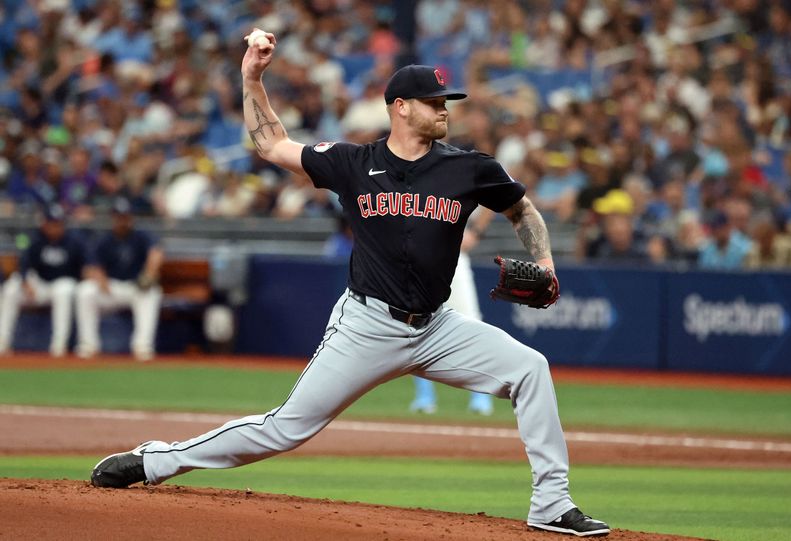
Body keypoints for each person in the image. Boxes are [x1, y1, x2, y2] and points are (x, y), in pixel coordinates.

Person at [90, 34, 610, 538]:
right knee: (284, 428)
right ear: (400, 107)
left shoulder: (469, 168)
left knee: (530, 369)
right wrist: (252, 77)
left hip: (438, 327)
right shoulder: (354, 163)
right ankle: (155, 461)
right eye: (433, 101)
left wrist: (544, 261)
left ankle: (552, 503)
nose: (444, 108)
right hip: (366, 324)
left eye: (445, 100)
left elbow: (521, 208)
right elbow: (272, 144)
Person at [410, 207, 495, 416]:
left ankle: (480, 395)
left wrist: (475, 232)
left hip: (453, 255)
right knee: (416, 325)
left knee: (472, 326)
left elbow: (497, 193)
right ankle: (424, 396)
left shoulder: (459, 174)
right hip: (417, 255)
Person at [75, 197, 163, 361]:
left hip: (135, 287)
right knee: (85, 291)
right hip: (111, 287)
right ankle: (88, 345)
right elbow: (90, 267)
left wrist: (149, 273)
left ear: (131, 217)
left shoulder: (141, 236)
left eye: (125, 216)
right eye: (119, 216)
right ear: (113, 218)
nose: (122, 220)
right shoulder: (104, 239)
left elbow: (156, 253)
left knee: (152, 293)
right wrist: (100, 278)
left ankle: (142, 347)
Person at [0, 204, 87, 357]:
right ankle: (2, 343)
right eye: (51, 223)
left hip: (62, 284)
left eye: (58, 223)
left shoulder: (74, 241)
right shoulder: (36, 238)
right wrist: (25, 282)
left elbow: (85, 267)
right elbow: (24, 264)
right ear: (44, 224)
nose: (55, 227)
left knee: (64, 290)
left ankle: (59, 347)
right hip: (40, 285)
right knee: (11, 289)